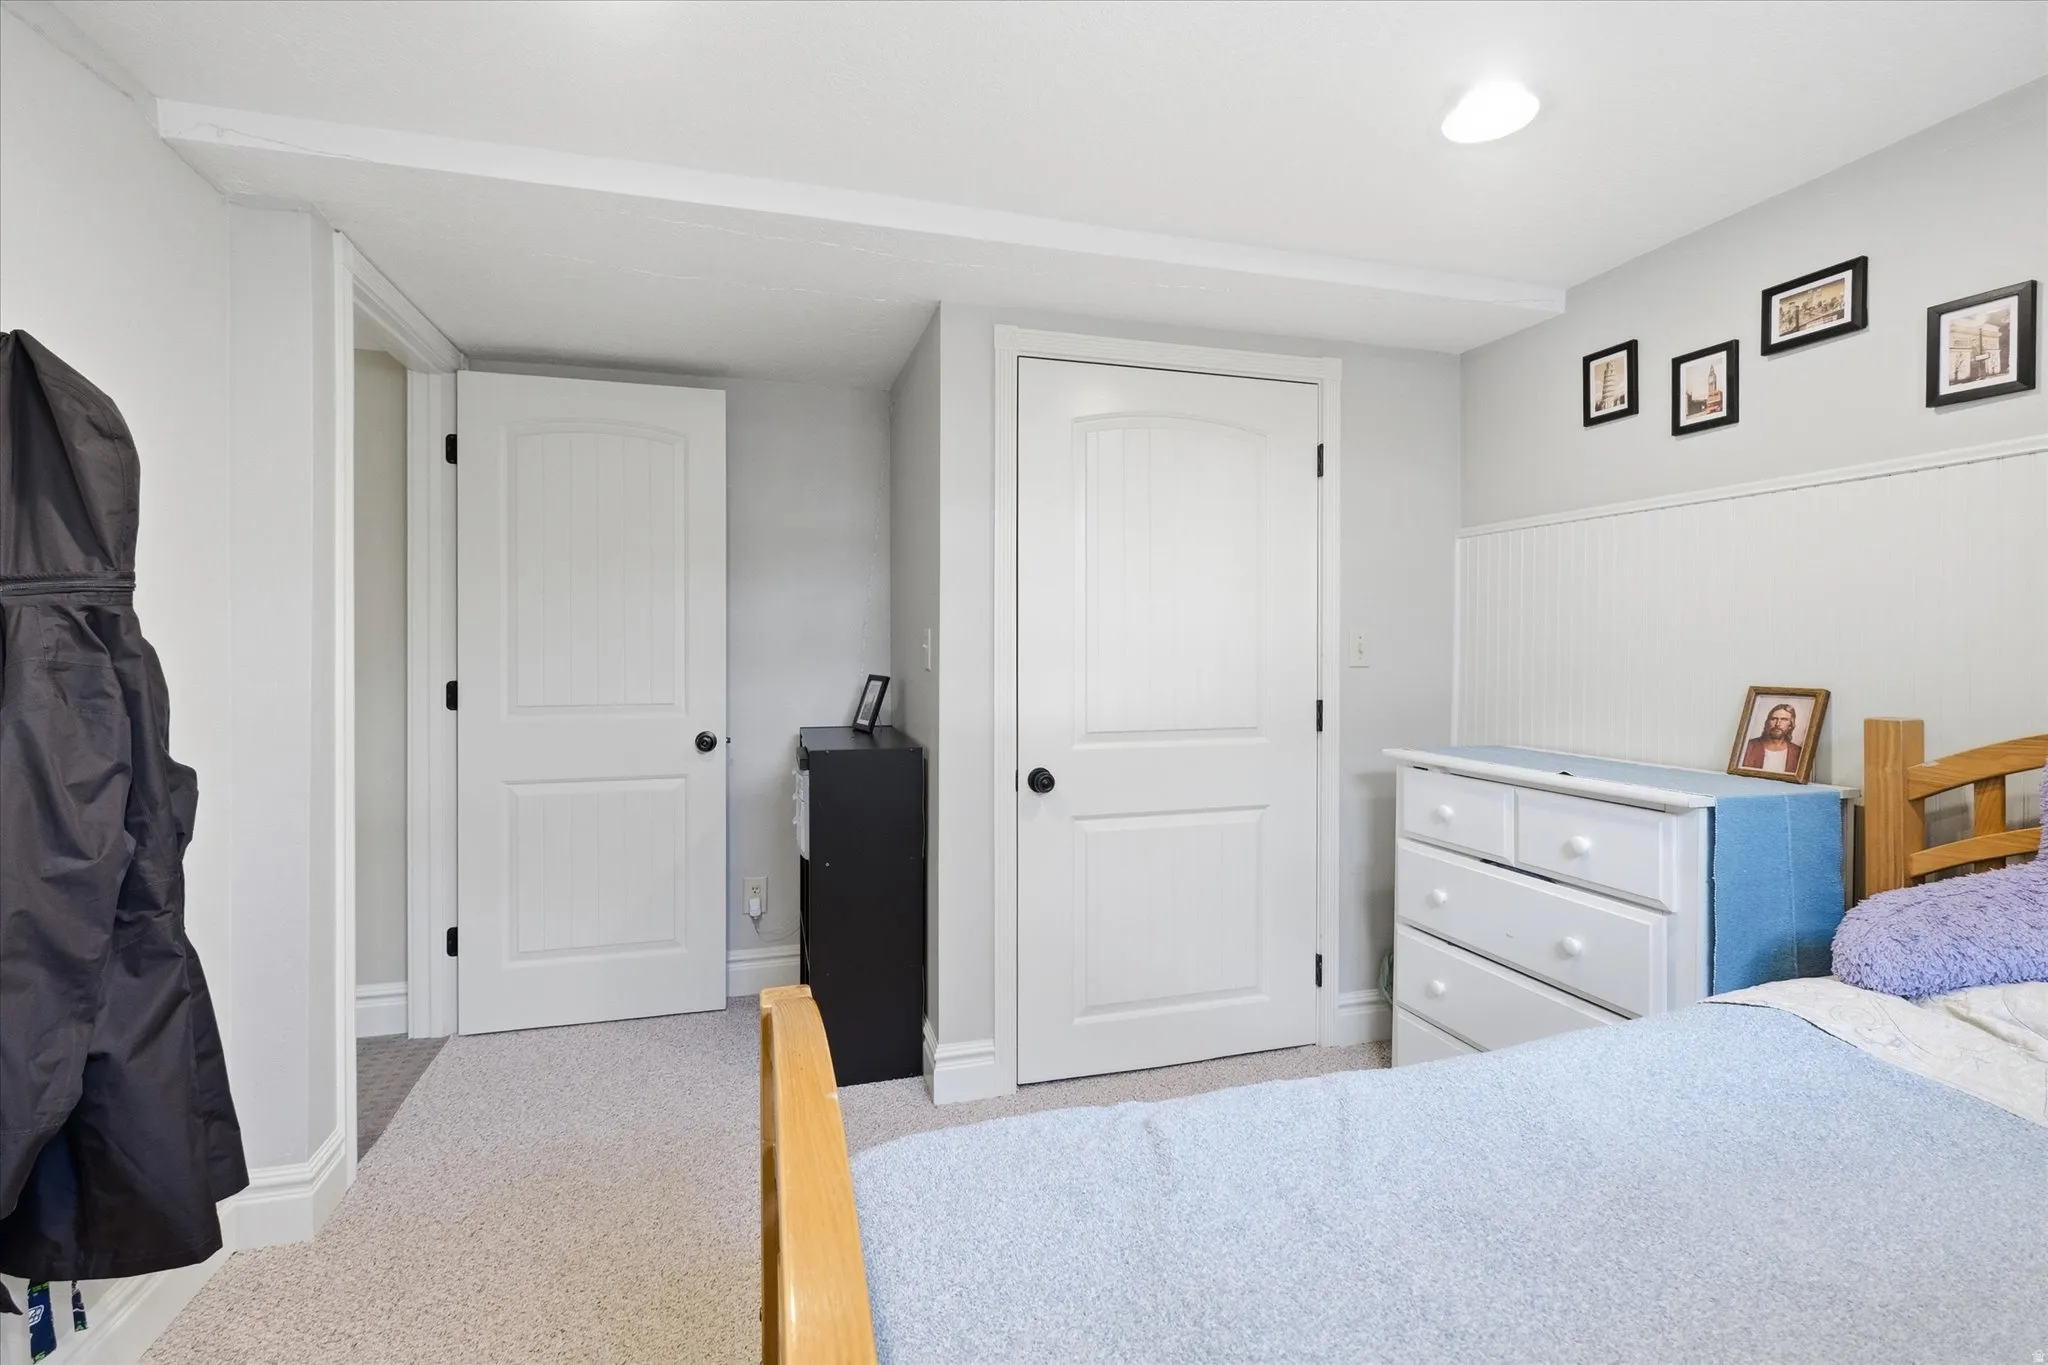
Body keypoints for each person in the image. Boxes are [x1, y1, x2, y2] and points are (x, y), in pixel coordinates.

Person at [1741, 702, 1803, 774]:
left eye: (1784, 719)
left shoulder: (1798, 752)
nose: (1777, 724)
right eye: (1774, 719)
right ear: (1767, 722)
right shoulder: (1748, 747)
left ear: (1790, 725)